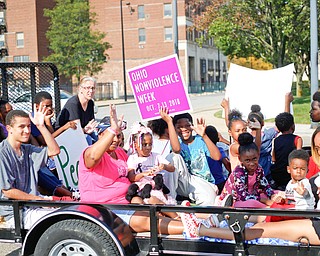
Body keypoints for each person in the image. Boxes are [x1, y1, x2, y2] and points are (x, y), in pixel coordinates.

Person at [78, 105, 221, 236]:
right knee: (147, 219)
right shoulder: (89, 153)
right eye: (111, 135)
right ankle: (197, 228)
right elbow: (93, 156)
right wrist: (113, 129)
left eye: (118, 135)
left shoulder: (120, 153)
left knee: (154, 201)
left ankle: (200, 219)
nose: (116, 139)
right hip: (107, 208)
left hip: (130, 200)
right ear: (100, 135)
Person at [0, 106, 60, 229]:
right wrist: (38, 199)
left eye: (28, 126)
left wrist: (41, 126)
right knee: (62, 219)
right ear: (9, 129)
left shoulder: (27, 149)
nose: (27, 131)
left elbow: (54, 150)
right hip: (14, 213)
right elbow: (7, 190)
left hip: (32, 204)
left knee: (71, 210)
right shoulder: (2, 153)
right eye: (21, 127)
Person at [148, 108, 218, 205]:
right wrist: (169, 122)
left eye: (187, 125)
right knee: (173, 157)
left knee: (209, 200)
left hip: (202, 182)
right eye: (179, 127)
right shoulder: (177, 143)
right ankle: (170, 200)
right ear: (175, 129)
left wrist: (204, 135)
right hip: (185, 180)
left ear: (192, 126)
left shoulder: (200, 140)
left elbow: (217, 157)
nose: (184, 129)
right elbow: (176, 150)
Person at [30, 91, 78, 199]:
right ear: (37, 106)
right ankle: (65, 192)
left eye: (51, 105)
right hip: (39, 154)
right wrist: (63, 127)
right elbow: (44, 141)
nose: (49, 108)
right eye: (46, 106)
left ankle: (69, 188)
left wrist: (47, 122)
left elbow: (52, 138)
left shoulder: (44, 118)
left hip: (49, 150)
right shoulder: (33, 119)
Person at [218, 133, 277, 208]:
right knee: (252, 203)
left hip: (253, 196)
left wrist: (273, 196)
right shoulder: (238, 173)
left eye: (254, 159)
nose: (252, 163)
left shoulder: (258, 169)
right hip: (236, 201)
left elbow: (266, 186)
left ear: (258, 155)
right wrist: (265, 201)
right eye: (247, 160)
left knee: (278, 193)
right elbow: (243, 196)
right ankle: (267, 208)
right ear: (240, 159)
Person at [126, 122, 176, 204]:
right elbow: (131, 177)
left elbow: (172, 168)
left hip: (156, 188)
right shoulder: (132, 158)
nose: (148, 147)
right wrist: (144, 174)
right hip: (141, 189)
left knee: (158, 198)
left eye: (150, 144)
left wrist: (164, 166)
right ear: (135, 145)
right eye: (144, 144)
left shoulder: (156, 156)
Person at [266, 149, 315, 222]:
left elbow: (308, 196)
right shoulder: (290, 183)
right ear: (288, 169)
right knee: (275, 206)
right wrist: (282, 200)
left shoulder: (304, 183)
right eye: (295, 168)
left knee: (276, 212)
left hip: (302, 212)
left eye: (302, 169)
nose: (298, 171)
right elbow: (288, 199)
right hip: (292, 209)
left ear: (307, 170)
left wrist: (304, 192)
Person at [55, 76, 98, 144]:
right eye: (87, 88)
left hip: (82, 132)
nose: (91, 91)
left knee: (99, 137)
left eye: (93, 88)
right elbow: (76, 129)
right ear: (80, 89)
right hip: (64, 134)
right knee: (88, 139)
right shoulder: (73, 103)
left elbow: (91, 123)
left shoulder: (90, 103)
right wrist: (85, 130)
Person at [270, 112, 303, 190]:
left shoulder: (276, 140)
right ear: (292, 125)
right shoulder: (297, 139)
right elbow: (299, 157)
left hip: (278, 174)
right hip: (290, 174)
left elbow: (273, 158)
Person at [205, 125, 231, 194]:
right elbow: (226, 163)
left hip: (207, 182)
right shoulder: (219, 149)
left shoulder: (203, 151)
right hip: (219, 181)